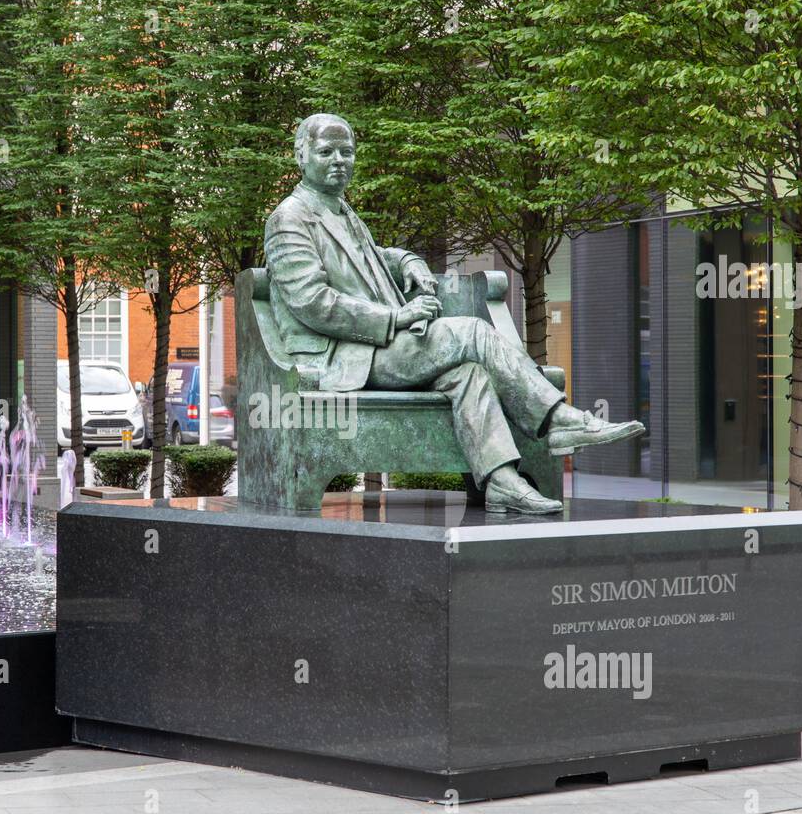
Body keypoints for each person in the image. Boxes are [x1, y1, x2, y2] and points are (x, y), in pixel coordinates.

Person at [264, 113, 644, 514]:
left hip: (384, 347)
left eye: (347, 152)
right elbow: (313, 302)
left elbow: (371, 260)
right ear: (301, 156)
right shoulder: (289, 219)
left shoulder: (339, 211)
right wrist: (397, 318)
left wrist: (408, 260)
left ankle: (501, 483)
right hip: (346, 355)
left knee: (470, 375)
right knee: (473, 333)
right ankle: (558, 419)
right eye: (326, 152)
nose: (339, 160)